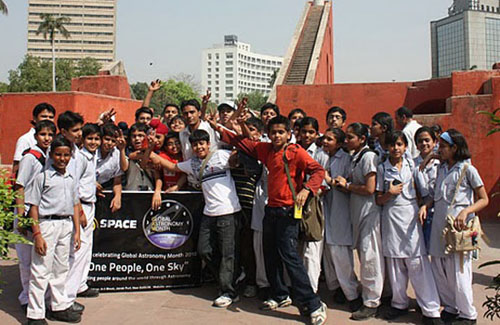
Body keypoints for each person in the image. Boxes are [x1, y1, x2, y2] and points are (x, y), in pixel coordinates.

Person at [216, 115, 327, 325]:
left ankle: (313, 303)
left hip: (288, 212)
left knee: (290, 257)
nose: (277, 136)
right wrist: (219, 126)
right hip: (271, 210)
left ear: (288, 134)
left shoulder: (295, 152)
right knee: (270, 256)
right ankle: (280, 294)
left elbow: (318, 171)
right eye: (273, 132)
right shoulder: (266, 150)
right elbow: (242, 142)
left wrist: (306, 190)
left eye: (281, 132)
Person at [152, 129, 242, 308]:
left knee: (227, 254)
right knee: (204, 250)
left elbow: (235, 160)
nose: (199, 147)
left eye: (202, 143)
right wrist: (150, 152)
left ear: (208, 144)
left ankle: (228, 291)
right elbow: (171, 167)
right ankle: (231, 276)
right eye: (195, 144)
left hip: (228, 212)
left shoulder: (221, 155)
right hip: (209, 213)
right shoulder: (192, 163)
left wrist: (238, 143)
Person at [419, 129, 489, 325]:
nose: (438, 149)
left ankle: (468, 314)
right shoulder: (441, 168)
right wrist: (426, 205)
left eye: (442, 146)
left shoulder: (468, 170)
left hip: (459, 230)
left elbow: (483, 199)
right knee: (440, 270)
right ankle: (451, 307)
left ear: (454, 148)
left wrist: (466, 211)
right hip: (440, 228)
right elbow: (436, 195)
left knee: (459, 272)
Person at [375, 131, 442, 324]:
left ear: (405, 147)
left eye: (399, 144)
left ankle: (430, 310)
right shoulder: (382, 168)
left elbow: (425, 194)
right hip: (391, 216)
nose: (395, 148)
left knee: (417, 263)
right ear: (386, 147)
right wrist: (389, 193)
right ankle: (399, 303)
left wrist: (423, 207)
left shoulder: (413, 166)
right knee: (395, 264)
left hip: (411, 217)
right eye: (392, 145)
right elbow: (378, 199)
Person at [25, 135, 82, 324]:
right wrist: (37, 234)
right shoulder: (42, 177)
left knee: (60, 269)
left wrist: (77, 232)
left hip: (65, 225)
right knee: (41, 270)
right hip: (47, 224)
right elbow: (32, 206)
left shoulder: (71, 178)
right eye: (58, 154)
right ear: (51, 154)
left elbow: (75, 205)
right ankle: (35, 314)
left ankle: (58, 306)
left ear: (71, 155)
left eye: (66, 155)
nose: (62, 159)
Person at [334, 123, 384, 321]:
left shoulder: (369, 157)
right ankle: (368, 296)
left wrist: (348, 185)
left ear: (362, 139)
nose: (346, 141)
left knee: (370, 258)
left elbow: (370, 188)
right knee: (365, 257)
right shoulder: (356, 157)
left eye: (351, 137)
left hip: (368, 214)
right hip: (359, 213)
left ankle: (372, 302)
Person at [14, 120, 56, 312]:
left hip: (40, 211)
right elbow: (20, 186)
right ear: (36, 136)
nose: (47, 138)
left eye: (50, 135)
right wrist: (22, 216)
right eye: (43, 135)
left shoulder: (51, 157)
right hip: (25, 211)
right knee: (25, 259)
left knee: (40, 259)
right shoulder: (30, 157)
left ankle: (39, 298)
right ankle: (26, 298)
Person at [321, 128, 361, 312]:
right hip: (324, 208)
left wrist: (330, 181)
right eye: (325, 138)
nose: (326, 141)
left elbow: (347, 185)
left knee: (340, 253)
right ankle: (336, 288)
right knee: (328, 253)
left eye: (330, 139)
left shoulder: (346, 159)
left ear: (339, 142)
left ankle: (352, 294)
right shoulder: (320, 156)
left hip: (340, 210)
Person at [65, 124, 101, 313]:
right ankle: (67, 298)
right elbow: (73, 184)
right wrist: (78, 212)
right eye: (89, 139)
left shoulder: (93, 156)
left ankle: (80, 285)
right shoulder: (78, 157)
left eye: (96, 139)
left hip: (90, 204)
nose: (93, 142)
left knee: (86, 251)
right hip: (80, 206)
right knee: (77, 252)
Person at [297, 117, 329, 293]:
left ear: (317, 134)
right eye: (304, 132)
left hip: (315, 204)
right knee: (296, 247)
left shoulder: (321, 154)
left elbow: (325, 181)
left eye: (311, 132)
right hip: (295, 203)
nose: (307, 135)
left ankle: (311, 290)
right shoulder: (294, 151)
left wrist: (312, 190)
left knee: (312, 248)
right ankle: (296, 287)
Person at [123, 123, 162, 210]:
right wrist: (150, 152)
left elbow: (157, 177)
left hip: (149, 194)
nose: (137, 139)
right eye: (134, 136)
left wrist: (157, 191)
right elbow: (142, 164)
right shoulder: (127, 152)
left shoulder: (156, 153)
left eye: (140, 136)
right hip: (130, 194)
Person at [414, 126, 440, 250]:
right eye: (420, 141)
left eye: (427, 140)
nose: (424, 143)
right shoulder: (411, 164)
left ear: (434, 142)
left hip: (439, 210)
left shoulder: (442, 164)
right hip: (420, 212)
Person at [13, 103, 56, 175]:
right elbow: (17, 167)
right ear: (35, 118)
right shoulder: (25, 139)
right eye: (44, 116)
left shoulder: (53, 139)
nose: (48, 119)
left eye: (51, 117)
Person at [96, 123, 126, 213]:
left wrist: (117, 197)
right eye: (107, 139)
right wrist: (91, 182)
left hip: (103, 192)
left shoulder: (116, 154)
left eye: (113, 141)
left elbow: (117, 181)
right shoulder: (92, 151)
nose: (109, 143)